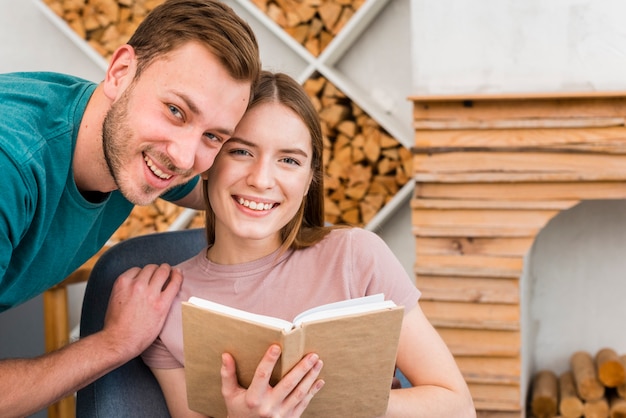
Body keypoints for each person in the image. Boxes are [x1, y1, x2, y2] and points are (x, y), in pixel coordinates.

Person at [142, 71, 477, 417]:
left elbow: (458, 406)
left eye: (289, 160)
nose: (261, 179)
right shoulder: (168, 303)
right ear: (208, 160)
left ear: (308, 179)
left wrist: (327, 402)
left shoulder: (356, 256)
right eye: (241, 151)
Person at [0, 0, 262, 416]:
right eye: (176, 111)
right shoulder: (10, 167)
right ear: (121, 72)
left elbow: (216, 191)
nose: (184, 156)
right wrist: (115, 342)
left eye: (213, 136)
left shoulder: (128, 140)